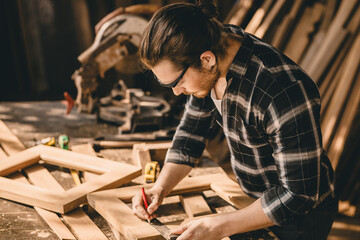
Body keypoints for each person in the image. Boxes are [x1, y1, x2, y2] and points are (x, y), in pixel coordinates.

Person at [131, 1, 338, 239]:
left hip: (300, 216)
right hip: (251, 198)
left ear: (207, 59)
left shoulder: (282, 92)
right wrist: (160, 187)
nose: (176, 92)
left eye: (176, 83)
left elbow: (298, 194)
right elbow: (191, 134)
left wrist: (219, 226)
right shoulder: (210, 48)